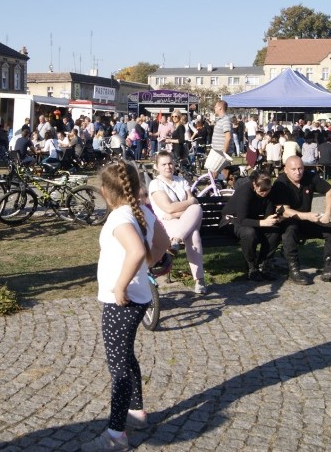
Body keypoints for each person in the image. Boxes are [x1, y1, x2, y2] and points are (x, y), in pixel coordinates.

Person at [82, 160, 169, 452]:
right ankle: (137, 412)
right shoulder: (141, 210)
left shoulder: (120, 218)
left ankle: (116, 434)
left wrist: (120, 286)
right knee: (126, 356)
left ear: (106, 192)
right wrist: (150, 264)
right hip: (138, 298)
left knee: (118, 367)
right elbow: (163, 241)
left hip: (122, 301)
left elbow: (135, 250)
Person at [272, 156, 331, 285]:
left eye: (300, 168)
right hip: (287, 221)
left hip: (307, 221)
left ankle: (330, 268)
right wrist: (307, 216)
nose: (298, 172)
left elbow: (330, 191)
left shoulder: (310, 177)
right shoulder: (280, 183)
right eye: (293, 169)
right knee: (290, 229)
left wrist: (327, 214)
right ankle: (294, 270)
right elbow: (284, 211)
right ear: (285, 170)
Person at [148, 151, 207, 294]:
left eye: (170, 163)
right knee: (193, 235)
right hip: (167, 224)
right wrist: (188, 204)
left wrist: (177, 212)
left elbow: (192, 204)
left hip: (185, 220)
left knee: (196, 207)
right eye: (164, 164)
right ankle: (199, 280)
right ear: (156, 167)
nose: (168, 167)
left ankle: (176, 240)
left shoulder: (181, 181)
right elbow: (167, 208)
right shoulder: (155, 184)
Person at [220, 171, 283, 281]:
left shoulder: (268, 192)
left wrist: (274, 218)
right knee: (249, 233)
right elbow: (242, 220)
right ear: (254, 184)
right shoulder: (245, 192)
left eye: (267, 190)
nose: (265, 193)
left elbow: (267, 214)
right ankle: (252, 266)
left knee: (275, 231)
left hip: (251, 220)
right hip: (232, 221)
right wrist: (263, 223)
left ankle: (263, 263)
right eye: (262, 190)